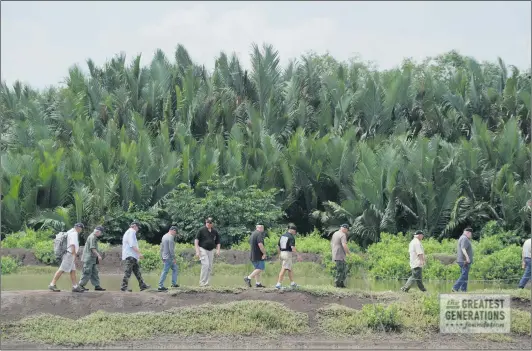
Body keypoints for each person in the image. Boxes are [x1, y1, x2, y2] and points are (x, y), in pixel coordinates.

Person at [48, 223, 85, 292]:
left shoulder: (70, 232)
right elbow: (73, 245)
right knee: (61, 269)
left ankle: (75, 286)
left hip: (69, 254)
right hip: (70, 255)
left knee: (73, 271)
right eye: (81, 229)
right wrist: (74, 256)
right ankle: (52, 284)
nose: (81, 230)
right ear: (78, 228)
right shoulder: (74, 234)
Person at [120, 221, 150, 292]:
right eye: (138, 227)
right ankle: (124, 287)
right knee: (128, 272)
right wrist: (139, 253)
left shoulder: (129, 232)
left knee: (137, 271)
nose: (138, 229)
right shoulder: (131, 231)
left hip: (132, 255)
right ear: (134, 226)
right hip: (130, 255)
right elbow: (132, 245)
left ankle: (142, 285)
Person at [78, 226, 106, 291]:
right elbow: (92, 248)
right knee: (86, 272)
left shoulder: (94, 237)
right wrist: (98, 255)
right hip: (89, 258)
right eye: (100, 233)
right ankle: (80, 285)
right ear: (98, 232)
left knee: (95, 272)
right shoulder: (92, 237)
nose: (100, 235)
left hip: (92, 259)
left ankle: (97, 286)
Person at [194, 217, 220, 287]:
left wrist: (218, 250)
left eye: (210, 222)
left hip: (211, 250)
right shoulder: (201, 230)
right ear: (206, 222)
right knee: (205, 265)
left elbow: (218, 242)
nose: (208, 224)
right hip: (202, 249)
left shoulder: (215, 231)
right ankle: (202, 282)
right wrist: (197, 251)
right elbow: (196, 241)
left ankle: (206, 283)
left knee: (210, 266)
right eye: (207, 222)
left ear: (212, 224)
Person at [275, 223, 302, 289]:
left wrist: (279, 254)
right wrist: (298, 255)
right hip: (287, 254)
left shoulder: (282, 236)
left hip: (282, 253)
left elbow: (278, 246)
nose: (295, 232)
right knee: (284, 268)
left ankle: (292, 283)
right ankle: (278, 284)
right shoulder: (291, 237)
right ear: (292, 230)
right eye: (295, 231)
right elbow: (292, 247)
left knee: (289, 268)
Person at [452, 227, 474, 292]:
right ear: (468, 233)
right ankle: (455, 288)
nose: (471, 235)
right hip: (464, 261)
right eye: (471, 234)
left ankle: (463, 290)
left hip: (461, 260)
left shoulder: (462, 237)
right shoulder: (464, 238)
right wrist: (467, 258)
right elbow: (463, 249)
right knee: (464, 275)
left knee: (465, 275)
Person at [158, 226, 180, 291]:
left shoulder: (164, 236)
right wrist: (174, 258)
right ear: (173, 230)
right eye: (175, 232)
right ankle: (160, 286)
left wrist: (162, 256)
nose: (175, 234)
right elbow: (171, 249)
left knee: (175, 268)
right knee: (165, 271)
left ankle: (174, 283)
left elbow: (161, 248)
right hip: (169, 257)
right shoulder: (170, 237)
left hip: (165, 256)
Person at [331, 224, 351, 288]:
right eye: (347, 230)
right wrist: (348, 253)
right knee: (340, 270)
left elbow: (332, 243)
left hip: (336, 254)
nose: (347, 231)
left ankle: (341, 284)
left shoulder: (335, 233)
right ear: (345, 229)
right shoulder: (342, 235)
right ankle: (337, 284)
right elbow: (344, 245)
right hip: (340, 255)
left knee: (343, 270)